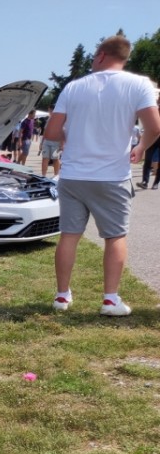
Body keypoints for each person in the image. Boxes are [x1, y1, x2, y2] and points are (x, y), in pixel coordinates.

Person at [45, 34, 160, 316]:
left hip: (73, 174)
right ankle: (110, 300)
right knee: (115, 236)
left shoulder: (73, 87)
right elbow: (154, 126)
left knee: (69, 235)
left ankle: (62, 297)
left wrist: (67, 139)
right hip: (112, 174)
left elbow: (50, 132)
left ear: (100, 55)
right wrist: (142, 146)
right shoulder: (139, 84)